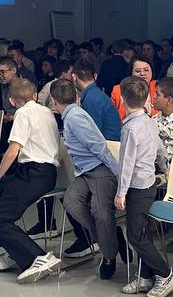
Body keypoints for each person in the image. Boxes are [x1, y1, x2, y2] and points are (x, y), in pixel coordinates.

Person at [0, 78, 63, 283]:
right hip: (40, 173)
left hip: (34, 173)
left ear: (12, 101)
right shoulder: (46, 111)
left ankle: (38, 257)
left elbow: (13, 150)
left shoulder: (22, 113)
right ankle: (14, 250)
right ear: (35, 95)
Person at [116, 77, 173, 297]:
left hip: (137, 187)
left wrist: (121, 192)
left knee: (135, 235)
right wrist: (165, 167)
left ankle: (165, 275)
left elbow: (127, 164)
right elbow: (160, 149)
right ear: (146, 99)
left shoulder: (130, 129)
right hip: (149, 183)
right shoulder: (149, 121)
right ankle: (145, 276)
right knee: (141, 232)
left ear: (122, 98)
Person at [51, 79, 123, 273]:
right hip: (85, 172)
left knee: (101, 212)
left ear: (54, 100)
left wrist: (117, 172)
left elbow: (98, 147)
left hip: (99, 169)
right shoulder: (71, 115)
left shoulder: (75, 117)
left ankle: (109, 257)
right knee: (71, 202)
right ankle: (109, 237)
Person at [73, 61, 121, 142]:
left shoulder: (91, 98)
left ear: (74, 77)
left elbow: (93, 134)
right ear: (95, 76)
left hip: (108, 144)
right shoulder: (95, 94)